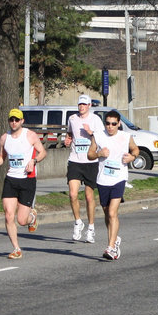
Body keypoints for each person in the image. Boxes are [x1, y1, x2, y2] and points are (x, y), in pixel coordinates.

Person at [0, 108, 47, 259]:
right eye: (11, 120)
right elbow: (2, 156)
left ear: (22, 121)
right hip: (11, 179)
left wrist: (34, 161)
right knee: (9, 215)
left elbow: (43, 152)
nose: (14, 122)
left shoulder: (30, 135)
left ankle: (32, 217)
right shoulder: (4, 138)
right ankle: (16, 248)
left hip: (27, 180)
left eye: (17, 120)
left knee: (22, 220)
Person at [87, 110, 139, 260]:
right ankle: (115, 239)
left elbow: (135, 149)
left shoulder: (125, 137)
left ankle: (111, 248)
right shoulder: (98, 135)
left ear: (119, 124)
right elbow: (90, 155)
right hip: (103, 179)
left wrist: (132, 157)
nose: (110, 127)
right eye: (108, 123)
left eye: (113, 124)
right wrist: (99, 154)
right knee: (106, 213)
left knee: (112, 213)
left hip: (119, 178)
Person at [63, 95, 101, 243]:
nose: (81, 107)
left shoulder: (95, 120)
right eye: (80, 104)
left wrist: (91, 133)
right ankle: (78, 222)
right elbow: (70, 133)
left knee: (89, 197)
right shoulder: (72, 119)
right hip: (75, 161)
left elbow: (102, 139)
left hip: (91, 161)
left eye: (84, 104)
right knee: (72, 194)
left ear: (89, 105)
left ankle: (91, 228)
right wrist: (67, 139)